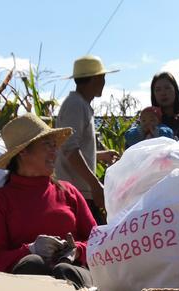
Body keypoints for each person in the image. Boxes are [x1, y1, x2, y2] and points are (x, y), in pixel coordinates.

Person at [0, 114, 95, 288]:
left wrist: (77, 250)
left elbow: (98, 240)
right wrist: (30, 250)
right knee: (33, 264)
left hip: (75, 277)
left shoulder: (69, 192)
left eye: (54, 145)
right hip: (26, 289)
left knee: (65, 270)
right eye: (47, 145)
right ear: (23, 151)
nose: (55, 151)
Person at [54, 55, 120, 224]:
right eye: (103, 78)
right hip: (76, 192)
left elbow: (73, 148)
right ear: (96, 79)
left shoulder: (80, 104)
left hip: (81, 191)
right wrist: (95, 184)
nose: (104, 83)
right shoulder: (75, 105)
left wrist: (100, 155)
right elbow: (69, 149)